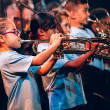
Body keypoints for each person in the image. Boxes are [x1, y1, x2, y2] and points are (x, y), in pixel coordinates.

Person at [29, 12, 98, 110]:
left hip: (75, 98)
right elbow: (72, 66)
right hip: (61, 103)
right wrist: (89, 52)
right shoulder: (43, 48)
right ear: (41, 31)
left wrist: (90, 54)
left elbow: (76, 70)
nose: (57, 31)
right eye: (54, 28)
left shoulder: (55, 46)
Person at [0, 17, 66, 110]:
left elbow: (43, 70)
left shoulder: (15, 56)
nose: (19, 34)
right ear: (1, 38)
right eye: (14, 32)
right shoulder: (7, 58)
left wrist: (57, 52)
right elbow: (39, 60)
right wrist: (54, 44)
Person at [64, 0, 110, 110]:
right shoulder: (73, 34)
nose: (88, 14)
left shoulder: (87, 31)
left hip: (97, 75)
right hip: (88, 76)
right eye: (85, 11)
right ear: (73, 14)